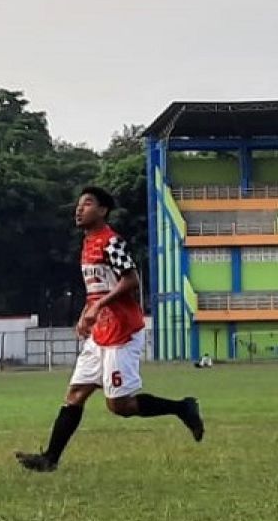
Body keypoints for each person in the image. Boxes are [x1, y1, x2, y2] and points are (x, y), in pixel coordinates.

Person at [15, 186, 204, 473]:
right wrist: (86, 313)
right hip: (100, 332)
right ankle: (49, 459)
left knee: (119, 406)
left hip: (122, 331)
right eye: (78, 205)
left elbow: (131, 281)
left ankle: (182, 407)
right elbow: (98, 288)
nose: (79, 209)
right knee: (76, 393)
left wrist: (97, 306)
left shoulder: (111, 242)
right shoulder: (87, 243)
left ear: (102, 211)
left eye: (87, 204)